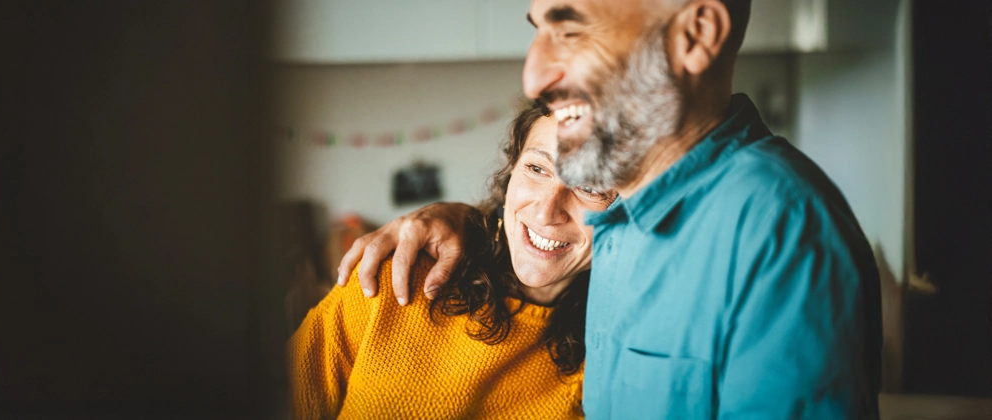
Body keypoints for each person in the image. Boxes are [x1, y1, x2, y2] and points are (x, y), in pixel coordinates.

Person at [336, 0, 881, 418]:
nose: (534, 76)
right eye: (539, 31)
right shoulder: (627, 213)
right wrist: (467, 220)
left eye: (571, 31)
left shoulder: (781, 233)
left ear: (696, 34)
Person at [291, 103, 616, 419]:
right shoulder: (396, 277)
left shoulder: (617, 353)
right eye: (536, 168)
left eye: (590, 185)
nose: (546, 211)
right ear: (511, 172)